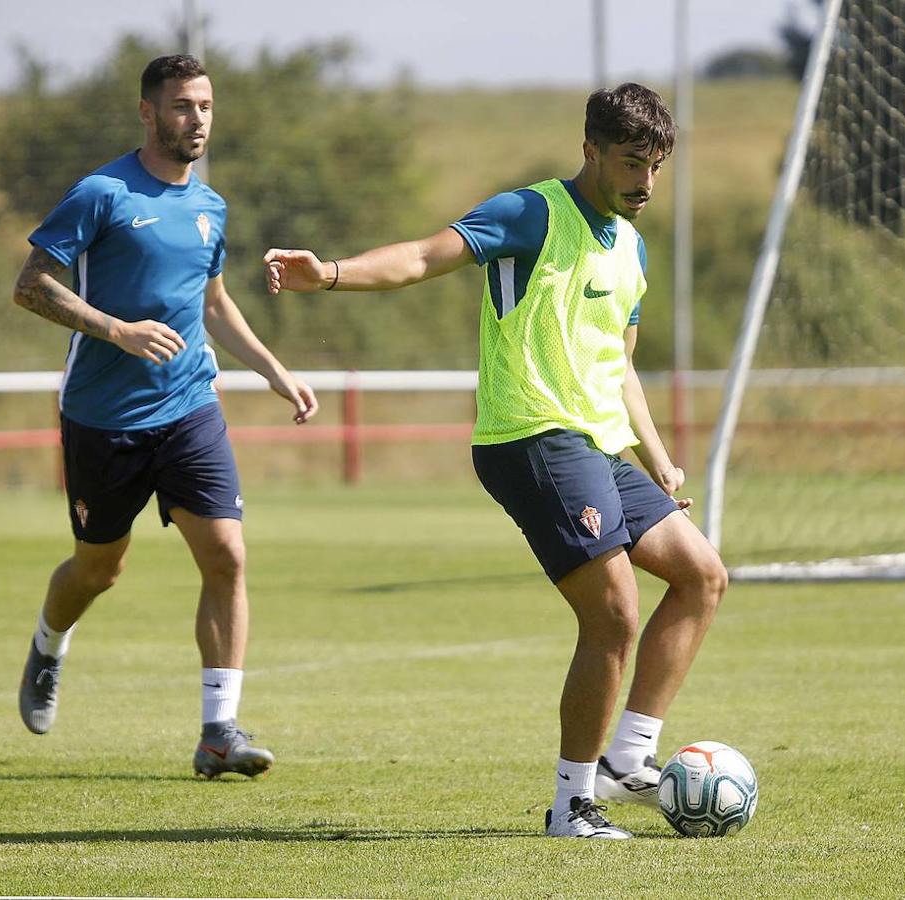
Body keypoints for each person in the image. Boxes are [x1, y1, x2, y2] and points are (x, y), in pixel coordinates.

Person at [263, 83, 728, 838]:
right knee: (613, 614)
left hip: (599, 445)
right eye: (631, 162)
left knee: (703, 576)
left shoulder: (634, 249)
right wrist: (333, 274)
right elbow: (420, 256)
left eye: (656, 166)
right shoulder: (532, 213)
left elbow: (617, 363)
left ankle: (626, 759)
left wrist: (659, 459)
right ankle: (572, 803)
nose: (645, 182)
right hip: (529, 438)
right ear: (590, 152)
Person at [13, 54, 318, 779]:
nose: (198, 119)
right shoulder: (102, 193)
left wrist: (273, 370)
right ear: (148, 112)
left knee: (228, 555)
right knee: (99, 570)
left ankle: (219, 733)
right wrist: (118, 330)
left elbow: (213, 302)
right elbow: (30, 286)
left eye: (206, 105)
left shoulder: (211, 206)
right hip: (103, 416)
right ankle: (49, 643)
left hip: (188, 407)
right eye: (182, 106)